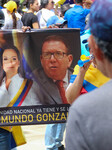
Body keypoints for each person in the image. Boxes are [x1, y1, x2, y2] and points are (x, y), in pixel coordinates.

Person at [65, 0, 112, 150]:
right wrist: (82, 72)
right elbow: (70, 98)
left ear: (94, 47)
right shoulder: (83, 64)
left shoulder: (83, 111)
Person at [32, 35, 73, 150]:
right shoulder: (34, 79)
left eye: (58, 54)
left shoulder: (76, 76)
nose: (52, 59)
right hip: (51, 110)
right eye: (47, 54)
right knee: (53, 116)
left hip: (68, 110)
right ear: (41, 59)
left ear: (69, 60)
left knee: (63, 116)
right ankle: (50, 146)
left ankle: (58, 143)